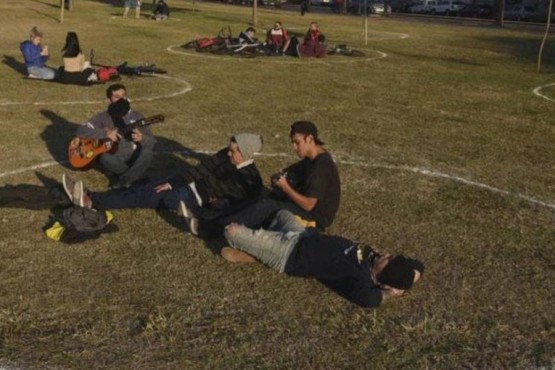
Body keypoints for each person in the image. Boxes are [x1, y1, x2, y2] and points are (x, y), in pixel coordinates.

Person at [62, 133, 264, 235]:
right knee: (143, 186)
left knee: (142, 195)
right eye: (229, 149)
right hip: (187, 183)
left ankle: (91, 200)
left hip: (193, 198)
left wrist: (217, 205)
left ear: (246, 153)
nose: (228, 153)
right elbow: (201, 169)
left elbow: (238, 208)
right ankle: (92, 198)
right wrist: (175, 182)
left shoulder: (251, 180)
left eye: (234, 151)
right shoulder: (224, 155)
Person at [221, 210, 425, 308]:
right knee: (282, 214)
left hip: (288, 254)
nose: (386, 254)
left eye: (389, 260)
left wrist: (392, 292)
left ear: (384, 275)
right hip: (303, 235)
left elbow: (371, 300)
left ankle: (256, 252)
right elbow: (419, 266)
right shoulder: (373, 259)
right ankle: (258, 249)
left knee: (231, 231)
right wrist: (412, 276)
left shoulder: (360, 278)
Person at [217, 121, 340, 232]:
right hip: (303, 209)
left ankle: (220, 227)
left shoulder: (321, 167)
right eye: (293, 142)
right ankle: (223, 215)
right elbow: (291, 171)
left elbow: (308, 205)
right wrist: (280, 178)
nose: (294, 147)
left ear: (310, 139)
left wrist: (286, 187)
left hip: (314, 219)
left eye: (297, 142)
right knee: (264, 197)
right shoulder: (311, 159)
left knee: (269, 206)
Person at [75, 84, 156, 188]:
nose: (122, 99)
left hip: (135, 158)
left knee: (147, 153)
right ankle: (134, 176)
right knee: (104, 158)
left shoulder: (137, 116)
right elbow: (81, 130)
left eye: (124, 96)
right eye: (117, 97)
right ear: (109, 100)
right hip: (114, 159)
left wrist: (142, 138)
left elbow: (152, 142)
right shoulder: (103, 117)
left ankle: (124, 180)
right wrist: (105, 133)